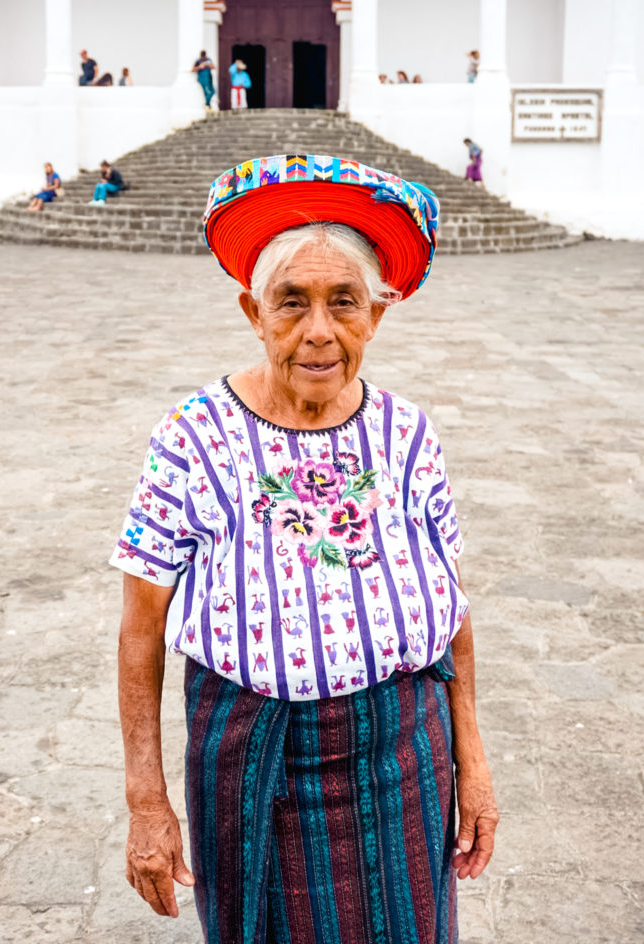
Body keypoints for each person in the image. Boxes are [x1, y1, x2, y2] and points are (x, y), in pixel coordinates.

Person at [113, 153, 499, 943]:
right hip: (253, 751)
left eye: (343, 303)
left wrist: (473, 760)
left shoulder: (406, 432)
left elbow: (449, 598)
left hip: (403, 747)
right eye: (291, 303)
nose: (317, 331)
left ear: (375, 316)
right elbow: (140, 627)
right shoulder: (192, 435)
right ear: (252, 313)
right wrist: (146, 801)